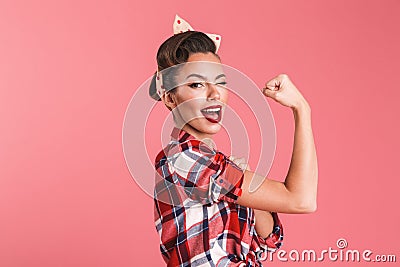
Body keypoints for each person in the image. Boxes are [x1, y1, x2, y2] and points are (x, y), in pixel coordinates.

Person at [150, 29, 318, 267]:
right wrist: (302, 109)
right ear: (170, 98)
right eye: (197, 84)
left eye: (220, 83)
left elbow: (268, 238)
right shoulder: (186, 160)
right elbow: (302, 200)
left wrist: (244, 184)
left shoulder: (217, 167)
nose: (214, 94)